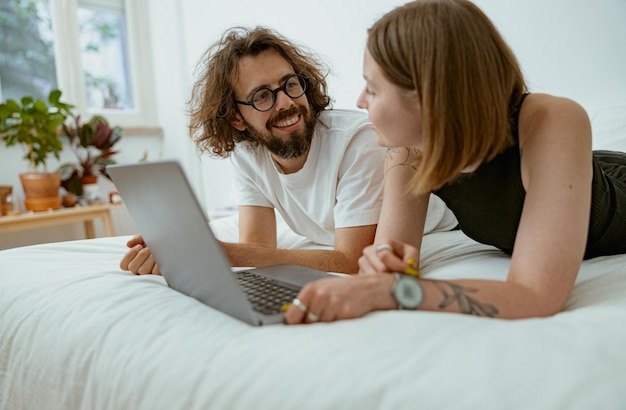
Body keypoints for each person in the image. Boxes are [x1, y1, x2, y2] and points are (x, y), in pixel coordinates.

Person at [284, 0, 626, 324]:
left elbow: (536, 296)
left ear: (426, 95)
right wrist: (383, 268)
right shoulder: (408, 151)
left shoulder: (552, 119)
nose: (360, 102)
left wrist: (394, 290)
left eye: (372, 88)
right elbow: (397, 263)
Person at [120, 26, 454, 276]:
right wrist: (180, 249)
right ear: (236, 117)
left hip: (434, 232)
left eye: (290, 84)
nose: (287, 103)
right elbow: (258, 248)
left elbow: (351, 260)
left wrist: (217, 253)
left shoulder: (359, 141)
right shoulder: (249, 153)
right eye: (262, 96)